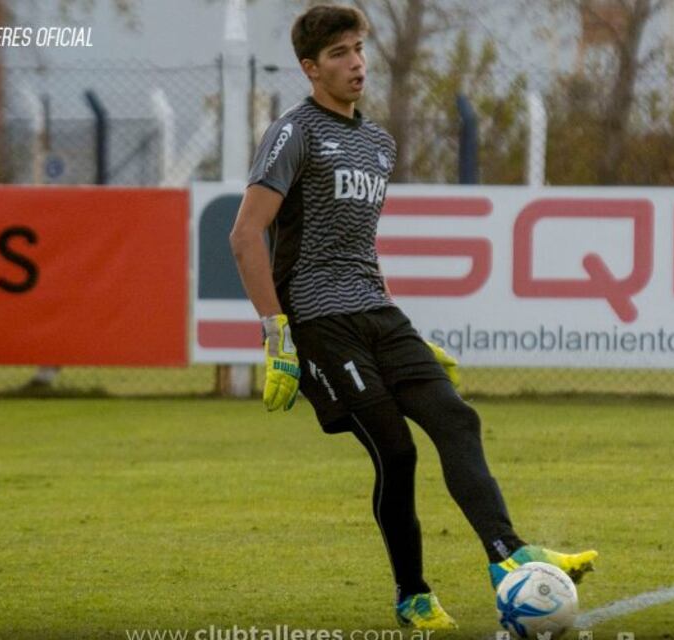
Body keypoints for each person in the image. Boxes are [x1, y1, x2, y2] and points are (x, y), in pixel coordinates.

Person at [229, 4, 597, 631]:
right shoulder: (295, 133)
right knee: (396, 453)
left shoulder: (378, 143)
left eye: (358, 49)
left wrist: (408, 332)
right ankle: (413, 595)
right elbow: (245, 235)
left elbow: (357, 243)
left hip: (379, 312)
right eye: (339, 54)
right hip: (320, 322)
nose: (356, 63)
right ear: (311, 68)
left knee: (456, 418)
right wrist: (277, 335)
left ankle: (509, 557)